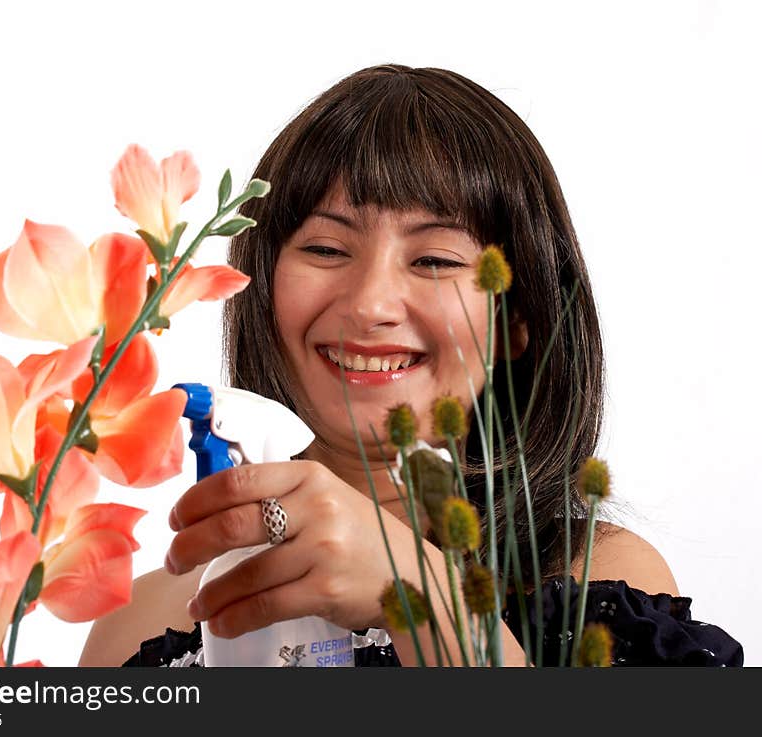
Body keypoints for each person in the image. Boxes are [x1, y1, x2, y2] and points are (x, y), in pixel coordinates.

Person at [78, 64, 743, 667]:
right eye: (327, 247)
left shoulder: (594, 584)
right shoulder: (133, 623)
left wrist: (424, 599)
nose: (369, 305)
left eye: (435, 259)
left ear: (520, 320)